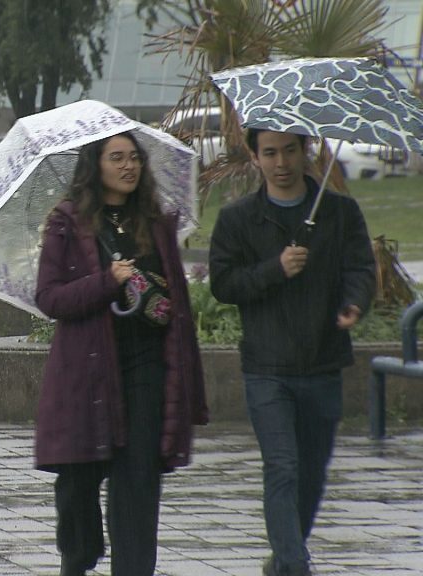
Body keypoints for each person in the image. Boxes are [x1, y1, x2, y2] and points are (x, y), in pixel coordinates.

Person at [34, 131, 209, 576]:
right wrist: (106, 282)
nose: (129, 166)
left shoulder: (155, 223)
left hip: (146, 368)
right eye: (117, 158)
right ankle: (79, 557)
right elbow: (50, 298)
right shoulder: (67, 222)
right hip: (88, 374)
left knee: (137, 490)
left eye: (134, 158)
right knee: (78, 490)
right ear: (97, 166)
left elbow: (177, 299)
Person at [209, 129, 376, 576]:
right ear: (254, 157)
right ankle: (295, 564)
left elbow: (360, 267)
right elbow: (224, 284)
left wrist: (353, 302)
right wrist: (274, 269)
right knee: (281, 465)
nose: (280, 162)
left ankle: (284, 558)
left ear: (306, 152)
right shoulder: (238, 218)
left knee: (312, 471)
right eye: (269, 153)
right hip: (267, 367)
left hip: (323, 361)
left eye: (289, 151)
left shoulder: (338, 212)